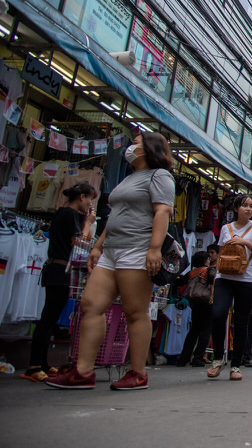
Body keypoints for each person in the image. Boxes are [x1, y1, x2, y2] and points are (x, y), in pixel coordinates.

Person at [47, 133, 175, 390]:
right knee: (90, 305)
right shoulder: (130, 177)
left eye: (136, 143)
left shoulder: (159, 176)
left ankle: (138, 373)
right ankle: (83, 372)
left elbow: (163, 211)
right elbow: (117, 214)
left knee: (135, 312)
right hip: (111, 251)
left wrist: (154, 249)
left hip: (137, 250)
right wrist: (98, 246)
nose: (131, 147)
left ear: (150, 148)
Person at [21, 183, 97, 382]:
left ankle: (42, 364)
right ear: (82, 197)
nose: (90, 204)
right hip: (59, 270)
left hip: (57, 270)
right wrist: (88, 223)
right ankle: (34, 366)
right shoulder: (69, 215)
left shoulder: (64, 214)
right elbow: (79, 243)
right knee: (47, 318)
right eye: (90, 199)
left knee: (51, 318)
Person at [206, 195, 252, 381]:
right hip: (224, 278)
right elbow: (220, 255)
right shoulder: (226, 228)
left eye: (251, 206)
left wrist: (246, 243)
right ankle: (218, 359)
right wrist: (215, 282)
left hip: (247, 280)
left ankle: (236, 365)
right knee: (218, 314)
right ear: (235, 209)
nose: (248, 209)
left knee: (241, 322)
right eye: (244, 205)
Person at [176, 250, 216, 367]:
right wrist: (213, 296)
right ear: (205, 260)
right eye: (208, 259)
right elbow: (213, 281)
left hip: (195, 303)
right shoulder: (208, 270)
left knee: (194, 331)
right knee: (205, 331)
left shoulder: (191, 272)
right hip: (207, 303)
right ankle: (198, 358)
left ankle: (183, 358)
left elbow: (180, 282)